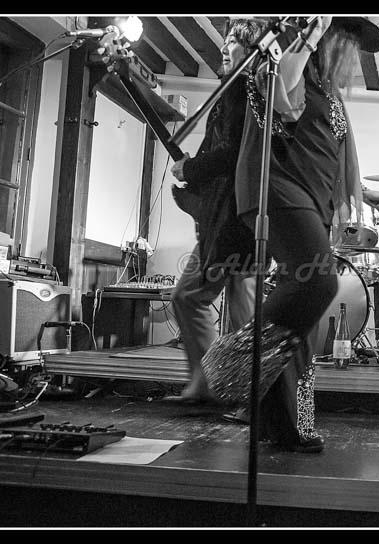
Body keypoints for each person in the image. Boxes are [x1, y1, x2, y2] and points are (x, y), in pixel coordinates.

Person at [201, 17, 379, 453]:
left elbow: (325, 150)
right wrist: (310, 34)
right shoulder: (286, 62)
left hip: (312, 200)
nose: (352, 54)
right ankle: (234, 358)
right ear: (330, 38)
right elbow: (282, 100)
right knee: (319, 284)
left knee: (302, 322)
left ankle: (286, 424)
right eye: (348, 41)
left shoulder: (327, 90)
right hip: (279, 189)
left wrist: (364, 191)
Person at [168, 20, 265, 404]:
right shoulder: (237, 90)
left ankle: (230, 388)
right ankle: (220, 385)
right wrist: (194, 178)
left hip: (234, 221)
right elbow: (223, 153)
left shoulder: (246, 90)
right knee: (219, 305)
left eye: (235, 41)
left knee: (210, 303)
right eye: (225, 41)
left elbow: (235, 153)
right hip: (230, 218)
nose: (225, 47)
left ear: (253, 49)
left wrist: (191, 169)